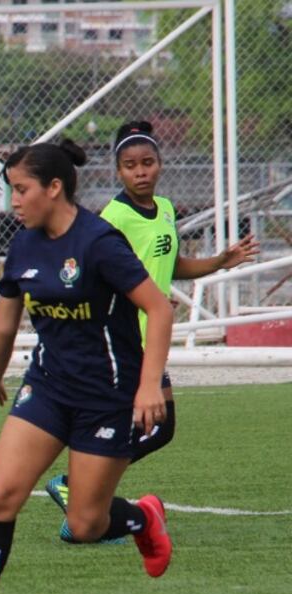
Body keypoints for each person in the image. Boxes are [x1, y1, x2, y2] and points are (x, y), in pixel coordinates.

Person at [0, 139, 174, 594]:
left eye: (21, 190)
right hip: (47, 388)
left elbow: (160, 308)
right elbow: (3, 325)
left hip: (107, 397)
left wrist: (149, 385)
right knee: (0, 498)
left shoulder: (100, 241)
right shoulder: (23, 245)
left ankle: (143, 517)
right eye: (10, 190)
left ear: (54, 187)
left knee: (84, 524)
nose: (14, 201)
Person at [46, 121, 259, 541]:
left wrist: (219, 261)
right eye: (130, 165)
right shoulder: (113, 217)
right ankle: (79, 488)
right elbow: (98, 273)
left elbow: (171, 263)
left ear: (160, 164)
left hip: (152, 335)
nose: (140, 171)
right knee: (156, 426)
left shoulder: (163, 208)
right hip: (128, 339)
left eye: (147, 162)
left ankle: (84, 493)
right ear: (119, 172)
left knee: (151, 427)